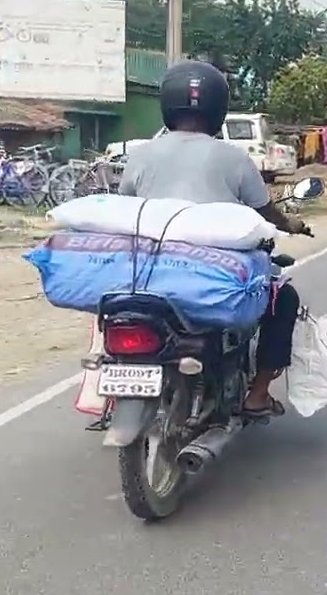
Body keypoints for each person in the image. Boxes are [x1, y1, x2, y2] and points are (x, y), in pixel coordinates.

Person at [117, 60, 308, 420]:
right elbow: (266, 212)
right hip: (212, 273)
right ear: (219, 109)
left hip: (145, 270)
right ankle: (258, 394)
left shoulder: (140, 155)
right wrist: (292, 224)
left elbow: (127, 208)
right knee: (284, 299)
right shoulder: (234, 157)